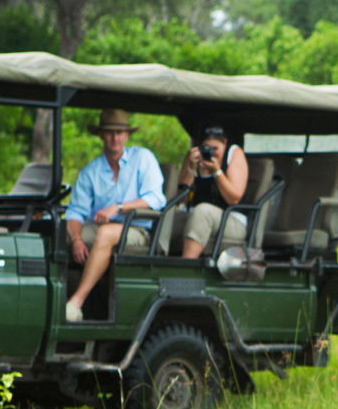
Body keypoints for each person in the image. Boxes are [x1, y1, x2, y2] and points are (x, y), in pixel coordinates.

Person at [63, 109, 165, 323]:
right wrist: (76, 239)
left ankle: (75, 304)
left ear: (127, 135)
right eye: (109, 132)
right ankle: (67, 301)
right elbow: (76, 211)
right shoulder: (91, 171)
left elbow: (156, 199)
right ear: (100, 135)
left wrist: (118, 207)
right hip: (100, 227)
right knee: (61, 235)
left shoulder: (143, 158)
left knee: (105, 233)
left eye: (119, 132)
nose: (115, 138)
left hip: (138, 229)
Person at [178, 125, 250, 259]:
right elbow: (181, 199)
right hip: (194, 215)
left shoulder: (234, 154)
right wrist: (192, 170)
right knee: (170, 215)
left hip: (231, 220)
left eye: (215, 149)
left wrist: (217, 172)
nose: (210, 153)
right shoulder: (193, 156)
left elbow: (233, 199)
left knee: (203, 211)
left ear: (225, 143)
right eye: (207, 148)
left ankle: (185, 265)